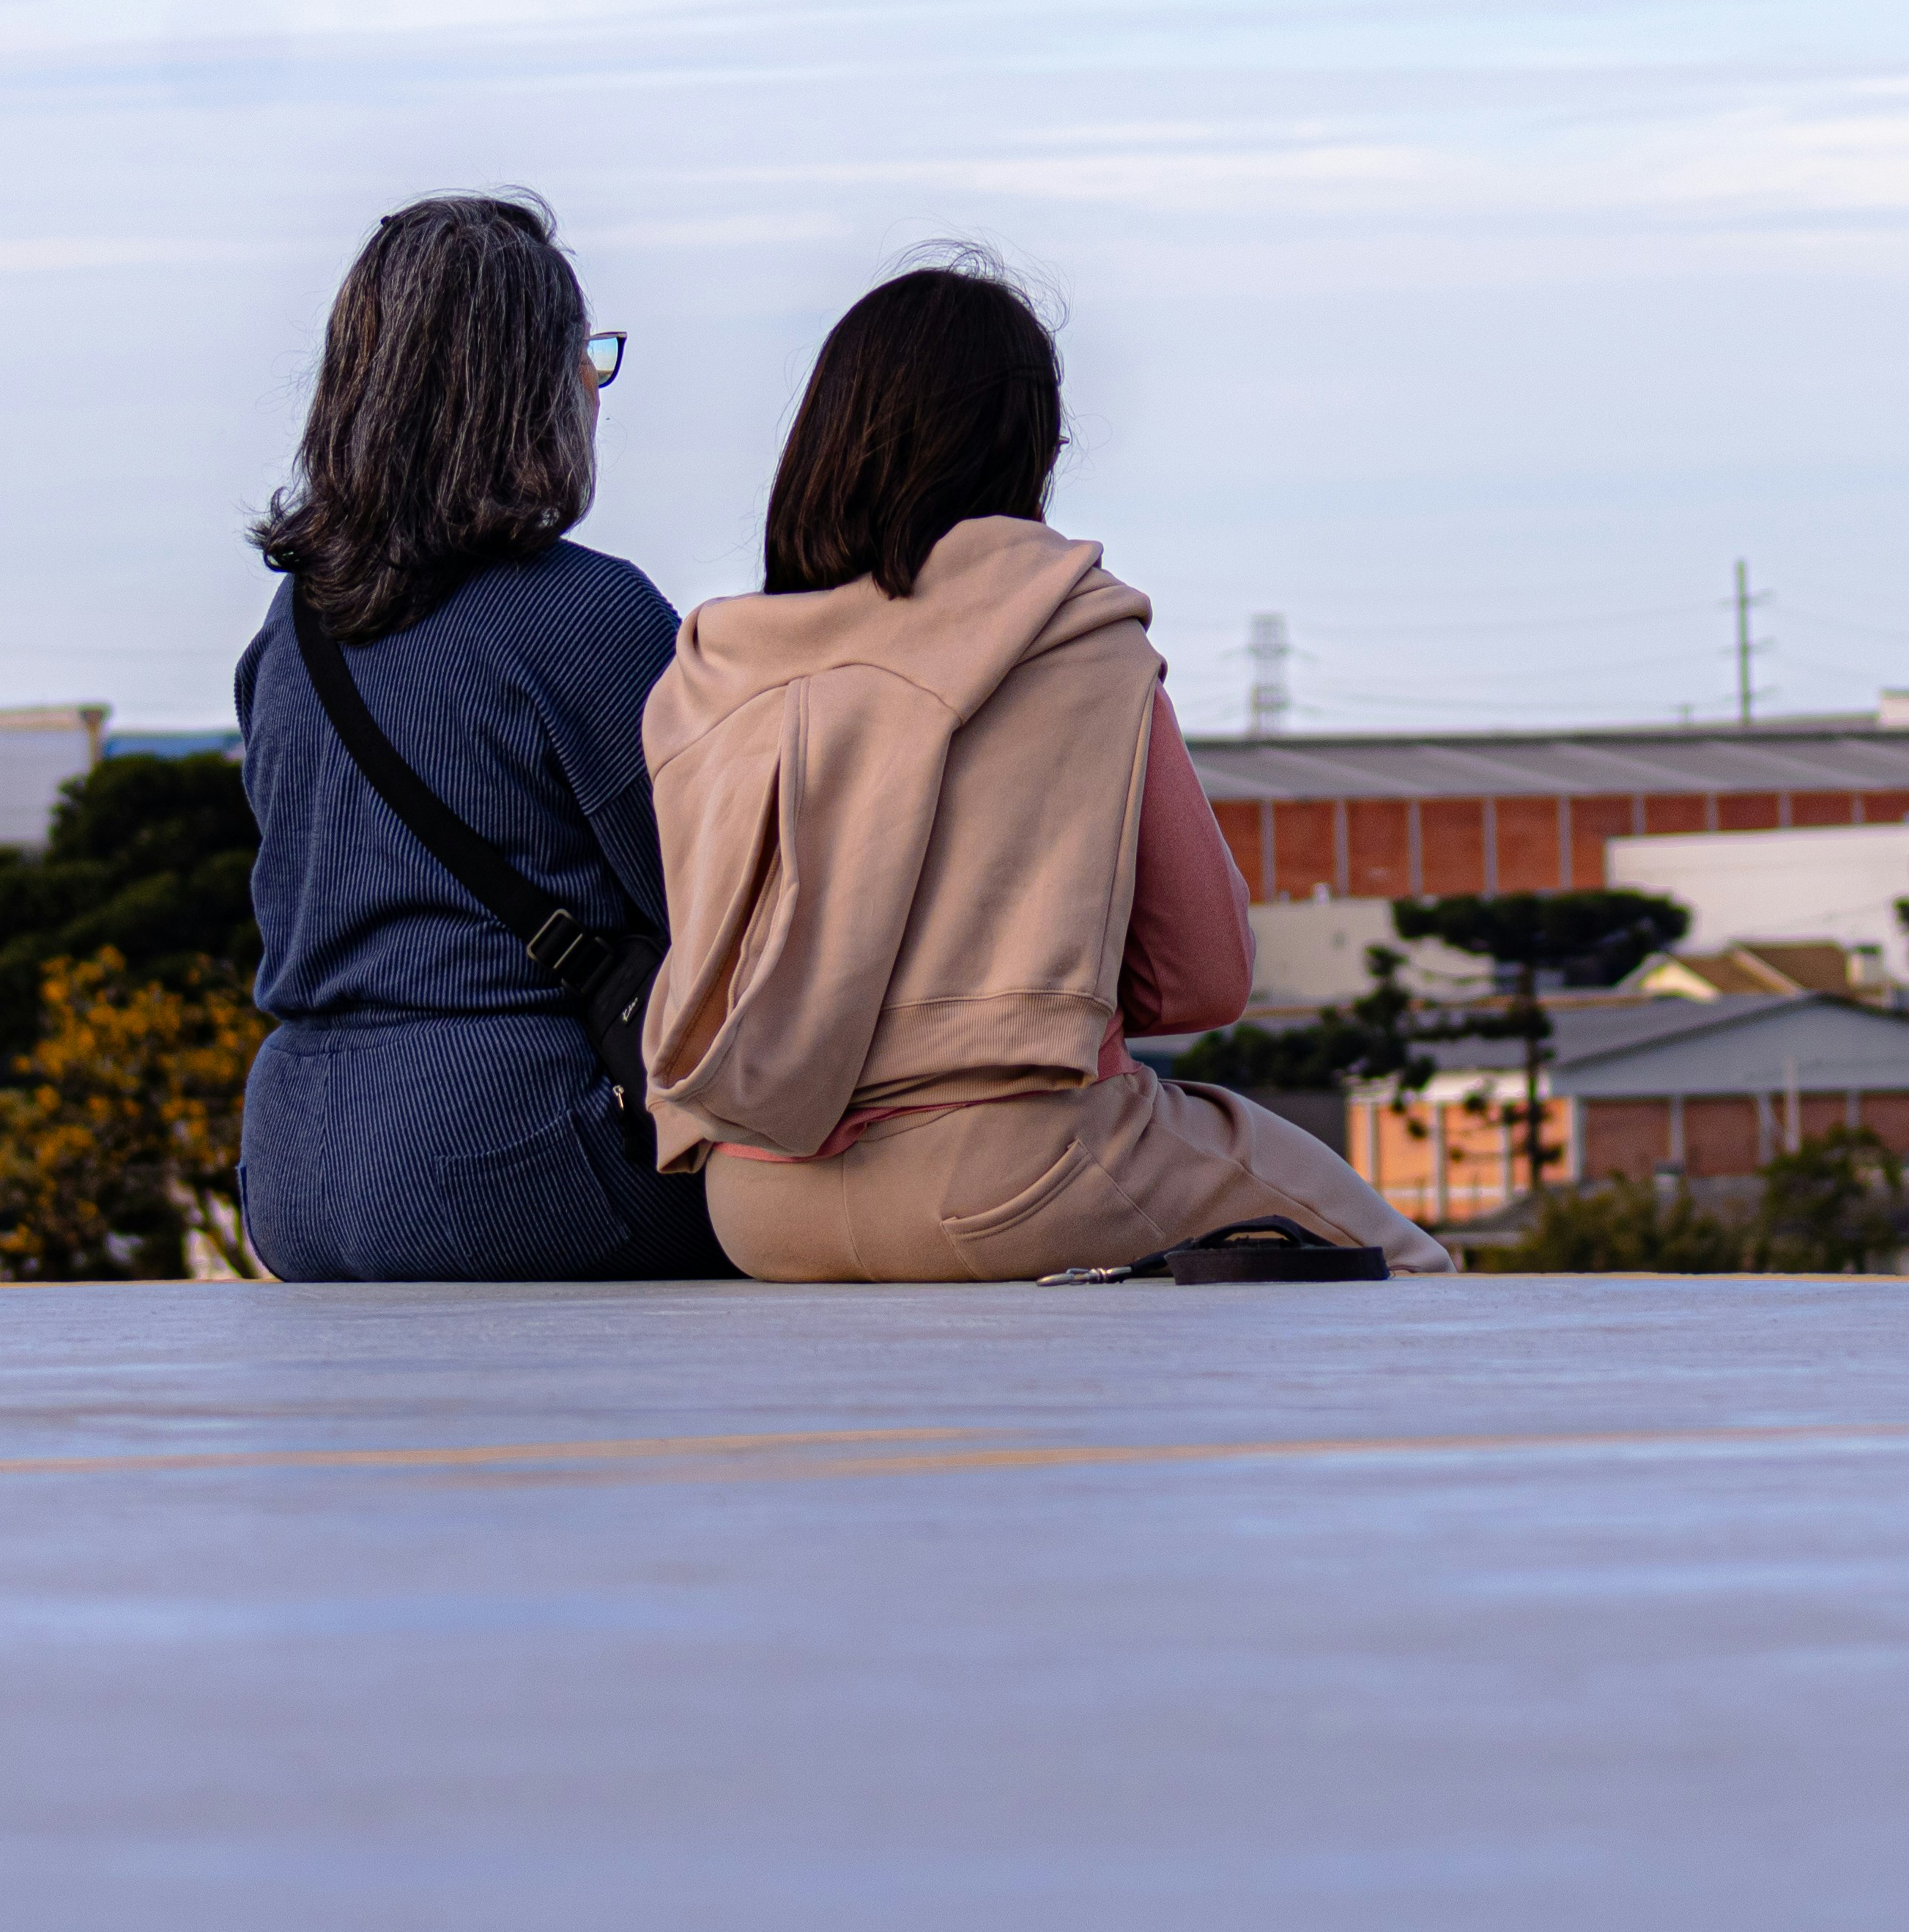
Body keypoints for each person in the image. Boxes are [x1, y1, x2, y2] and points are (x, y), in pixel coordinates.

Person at [640, 256, 1446, 1280]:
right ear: (1027, 449)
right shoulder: (1076, 635)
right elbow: (1204, 978)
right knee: (1405, 1273)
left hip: (754, 1201)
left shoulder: (713, 669)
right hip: (1008, 1177)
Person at [231, 193, 729, 1282]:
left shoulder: (290, 634)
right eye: (583, 359)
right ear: (530, 389)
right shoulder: (585, 616)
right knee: (826, 1219)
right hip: (504, 1156)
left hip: (290, 1166)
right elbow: (718, 916)